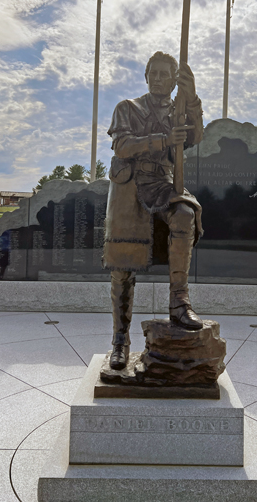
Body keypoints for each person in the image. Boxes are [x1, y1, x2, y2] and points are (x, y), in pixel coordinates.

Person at [103, 51, 204, 370]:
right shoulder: (127, 108)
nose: (159, 79)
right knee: (122, 264)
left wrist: (193, 99)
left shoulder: (180, 109)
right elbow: (121, 146)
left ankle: (179, 303)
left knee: (186, 214)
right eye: (154, 73)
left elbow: (195, 137)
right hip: (130, 186)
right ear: (146, 77)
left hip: (163, 182)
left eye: (166, 74)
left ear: (175, 79)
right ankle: (120, 341)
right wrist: (161, 139)